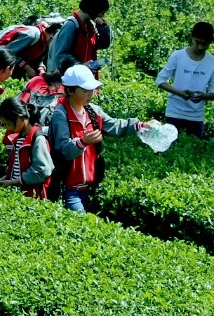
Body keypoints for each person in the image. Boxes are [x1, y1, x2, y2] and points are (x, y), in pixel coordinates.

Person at [47, 65, 150, 212]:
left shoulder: (93, 110)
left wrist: (141, 125)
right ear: (70, 90)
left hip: (90, 185)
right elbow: (64, 149)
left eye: (92, 90)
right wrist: (83, 142)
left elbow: (115, 125)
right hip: (69, 188)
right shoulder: (61, 115)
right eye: (85, 91)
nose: (90, 94)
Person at [157, 21, 214, 137]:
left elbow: (213, 91)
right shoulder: (178, 56)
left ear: (211, 42)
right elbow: (160, 81)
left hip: (196, 115)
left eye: (205, 44)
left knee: (195, 145)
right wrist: (179, 93)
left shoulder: (213, 62)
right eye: (198, 42)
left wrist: (203, 96)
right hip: (174, 112)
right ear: (192, 38)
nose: (200, 47)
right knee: (171, 144)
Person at [0, 97, 54, 198]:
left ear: (21, 118)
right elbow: (17, 169)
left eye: (9, 124)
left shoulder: (38, 139)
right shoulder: (19, 137)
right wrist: (3, 179)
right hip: (17, 194)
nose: (8, 128)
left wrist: (14, 182)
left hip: (32, 196)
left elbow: (42, 170)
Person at [46, 0, 112, 77]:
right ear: (93, 9)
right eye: (101, 12)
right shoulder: (71, 25)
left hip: (80, 78)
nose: (102, 16)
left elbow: (103, 44)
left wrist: (103, 27)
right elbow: (60, 55)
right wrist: (81, 66)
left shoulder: (90, 26)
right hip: (67, 79)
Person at [0, 14, 61, 79]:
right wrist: (26, 67)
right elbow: (8, 53)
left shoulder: (45, 41)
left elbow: (38, 58)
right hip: (3, 67)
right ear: (52, 37)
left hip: (16, 68)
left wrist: (41, 68)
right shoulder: (31, 35)